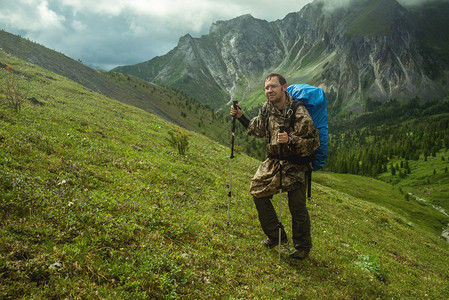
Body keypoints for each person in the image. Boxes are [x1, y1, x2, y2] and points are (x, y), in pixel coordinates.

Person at [230, 73, 320, 259]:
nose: (269, 90)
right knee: (257, 191)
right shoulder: (266, 108)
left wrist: (291, 140)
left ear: (284, 87)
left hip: (297, 165)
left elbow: (312, 143)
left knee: (296, 206)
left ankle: (302, 246)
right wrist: (240, 116)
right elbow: (259, 128)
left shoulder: (298, 111)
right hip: (274, 160)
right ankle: (276, 236)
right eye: (266, 87)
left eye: (273, 86)